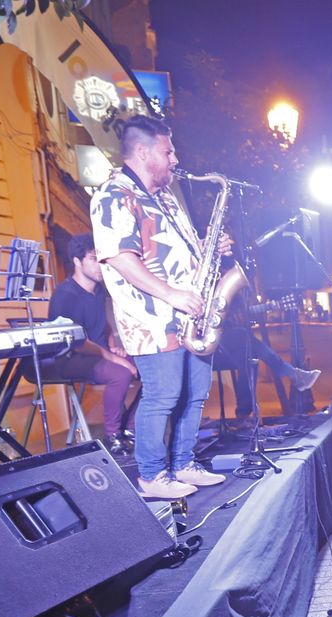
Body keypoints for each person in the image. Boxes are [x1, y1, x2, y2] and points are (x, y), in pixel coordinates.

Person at [91, 116, 234, 500]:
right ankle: (153, 475)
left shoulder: (166, 196)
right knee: (163, 395)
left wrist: (208, 247)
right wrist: (171, 295)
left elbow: (176, 251)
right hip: (152, 320)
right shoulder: (113, 194)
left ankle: (184, 463)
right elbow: (120, 257)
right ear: (143, 151)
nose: (175, 158)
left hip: (192, 315)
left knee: (196, 392)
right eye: (168, 150)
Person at [40, 233, 138, 452]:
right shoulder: (65, 295)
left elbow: (104, 325)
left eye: (102, 260)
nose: (101, 266)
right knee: (120, 373)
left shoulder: (99, 290)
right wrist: (112, 357)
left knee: (151, 368)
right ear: (77, 261)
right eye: (94, 259)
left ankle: (130, 430)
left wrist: (113, 344)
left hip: (98, 352)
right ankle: (113, 436)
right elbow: (76, 343)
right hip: (71, 357)